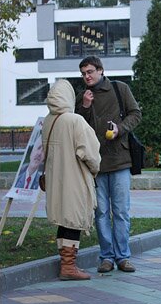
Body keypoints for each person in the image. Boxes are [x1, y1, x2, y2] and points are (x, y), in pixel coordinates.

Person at [75, 56, 142, 273]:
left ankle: (123, 257)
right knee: (101, 212)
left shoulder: (119, 88)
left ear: (101, 70)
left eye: (90, 72)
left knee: (121, 211)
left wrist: (119, 130)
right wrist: (85, 106)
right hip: (95, 163)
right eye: (84, 73)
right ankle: (106, 257)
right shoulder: (83, 96)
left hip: (120, 160)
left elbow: (136, 114)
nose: (87, 76)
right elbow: (77, 126)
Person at [43, 79, 101, 280]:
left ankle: (65, 263)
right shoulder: (74, 120)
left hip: (55, 178)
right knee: (73, 220)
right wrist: (95, 169)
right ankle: (68, 267)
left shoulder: (48, 121)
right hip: (74, 178)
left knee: (63, 219)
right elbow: (91, 153)